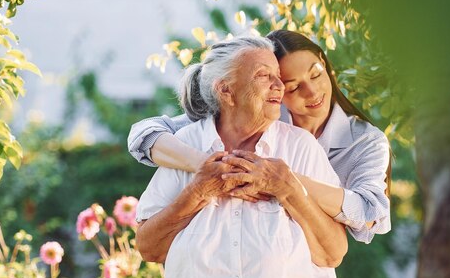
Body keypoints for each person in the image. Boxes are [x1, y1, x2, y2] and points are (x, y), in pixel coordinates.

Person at [135, 36, 352, 278]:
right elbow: (148, 246)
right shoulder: (186, 149)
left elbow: (333, 252)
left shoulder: (300, 149)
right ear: (226, 90)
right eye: (264, 75)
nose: (279, 85)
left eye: (278, 76)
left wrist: (288, 189)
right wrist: (199, 191)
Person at [129, 30, 391, 244]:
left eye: (316, 74)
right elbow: (145, 134)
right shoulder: (261, 114)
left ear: (325, 66)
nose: (312, 92)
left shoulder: (365, 142)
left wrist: (282, 179)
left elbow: (370, 214)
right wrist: (206, 164)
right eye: (293, 86)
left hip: (318, 255)